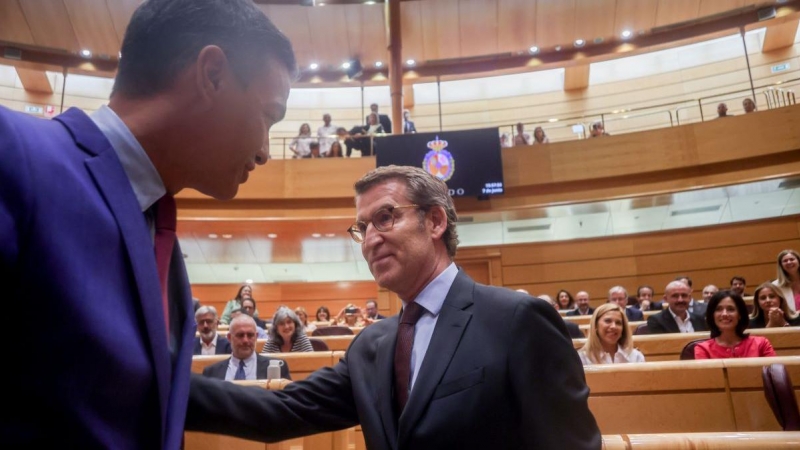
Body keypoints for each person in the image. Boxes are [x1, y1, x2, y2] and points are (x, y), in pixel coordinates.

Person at [0, 0, 296, 447]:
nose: (265, 151)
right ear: (212, 74)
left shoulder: (160, 236)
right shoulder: (13, 152)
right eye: (268, 116)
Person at [186, 165, 601, 448]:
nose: (369, 239)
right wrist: (156, 384)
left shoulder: (517, 321)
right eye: (362, 228)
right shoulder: (372, 345)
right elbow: (281, 410)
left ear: (435, 222)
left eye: (386, 218)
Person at [202, 315, 291, 380]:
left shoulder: (278, 367)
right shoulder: (211, 373)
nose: (245, 340)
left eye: (250, 335)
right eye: (240, 335)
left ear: (256, 337)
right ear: (229, 338)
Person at [695, 291, 776, 359]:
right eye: (718, 309)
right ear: (712, 315)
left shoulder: (761, 344)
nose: (724, 314)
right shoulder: (703, 349)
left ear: (740, 314)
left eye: (731, 309)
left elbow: (775, 374)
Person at [579, 303, 645, 365]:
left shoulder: (636, 357)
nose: (614, 326)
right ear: (595, 325)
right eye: (608, 321)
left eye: (618, 323)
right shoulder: (582, 358)